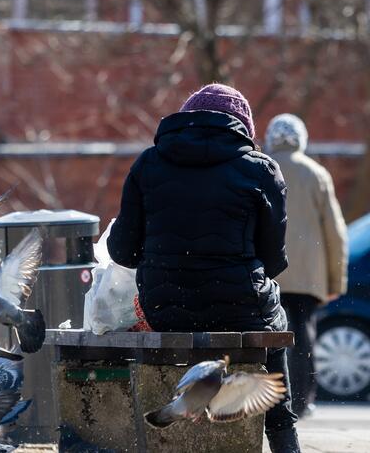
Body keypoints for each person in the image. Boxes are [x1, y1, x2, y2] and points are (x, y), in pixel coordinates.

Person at [107, 84, 300, 452]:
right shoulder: (261, 169)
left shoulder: (148, 163)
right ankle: (282, 432)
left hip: (165, 308)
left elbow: (122, 252)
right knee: (275, 317)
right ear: (242, 127)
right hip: (241, 309)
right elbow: (274, 262)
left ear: (187, 119)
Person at [265, 113, 348, 418]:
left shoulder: (261, 166)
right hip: (308, 278)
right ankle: (302, 399)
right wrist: (335, 281)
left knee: (269, 335)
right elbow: (335, 232)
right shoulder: (316, 174)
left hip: (269, 272)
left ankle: (272, 398)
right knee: (303, 335)